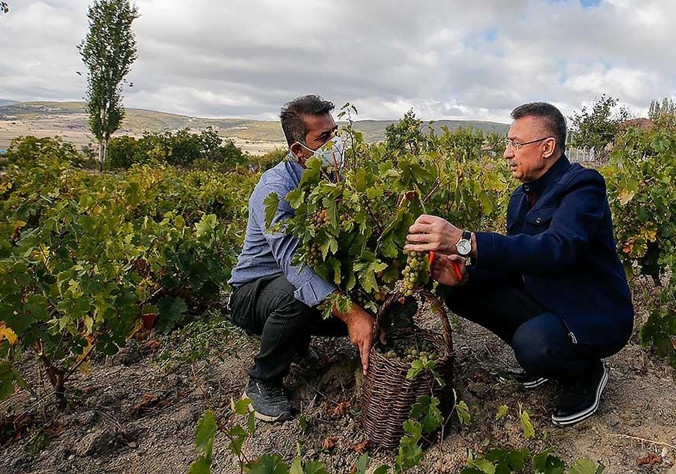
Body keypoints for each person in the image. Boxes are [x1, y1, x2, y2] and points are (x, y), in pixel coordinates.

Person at [405, 102, 634, 427]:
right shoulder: (521, 197)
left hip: (591, 313)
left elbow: (560, 248)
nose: (507, 153)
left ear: (547, 147)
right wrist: (464, 273)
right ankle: (547, 356)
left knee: (533, 344)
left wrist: (465, 240)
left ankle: (586, 373)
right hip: (549, 297)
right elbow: (517, 259)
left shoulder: (583, 187)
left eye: (516, 143)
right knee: (461, 292)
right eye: (507, 143)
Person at [227, 95, 377, 423]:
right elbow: (295, 266)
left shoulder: (330, 179)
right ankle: (263, 380)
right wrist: (352, 315)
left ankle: (296, 343)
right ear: (298, 151)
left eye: (335, 134)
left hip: (287, 284)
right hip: (252, 293)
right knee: (298, 293)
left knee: (358, 301)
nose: (334, 144)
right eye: (323, 138)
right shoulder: (275, 189)